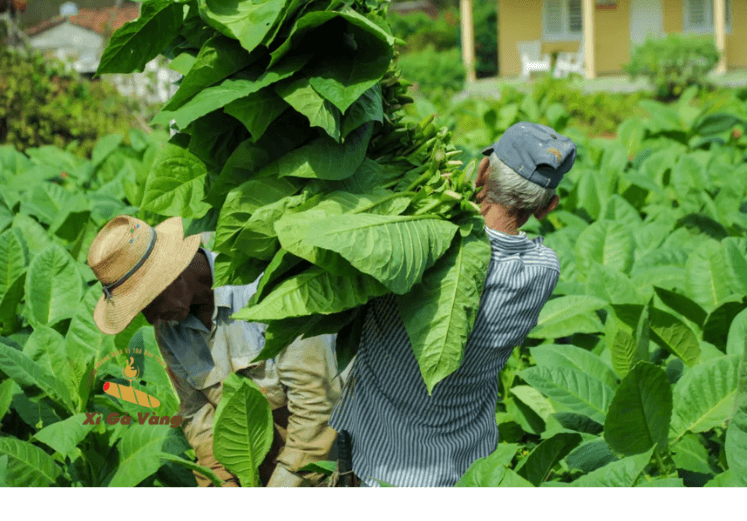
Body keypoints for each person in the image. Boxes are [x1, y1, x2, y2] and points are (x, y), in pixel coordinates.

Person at [328, 122, 577, 487]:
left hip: (380, 465)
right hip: (464, 466)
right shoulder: (543, 269)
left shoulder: (418, 247)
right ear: (547, 207)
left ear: (481, 174)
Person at [87, 216, 342, 487]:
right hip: (267, 471)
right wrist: (222, 482)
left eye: (150, 300)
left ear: (176, 269)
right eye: (140, 310)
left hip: (337, 458)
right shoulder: (169, 326)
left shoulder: (264, 287)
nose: (151, 319)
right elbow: (196, 417)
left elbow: (318, 403)